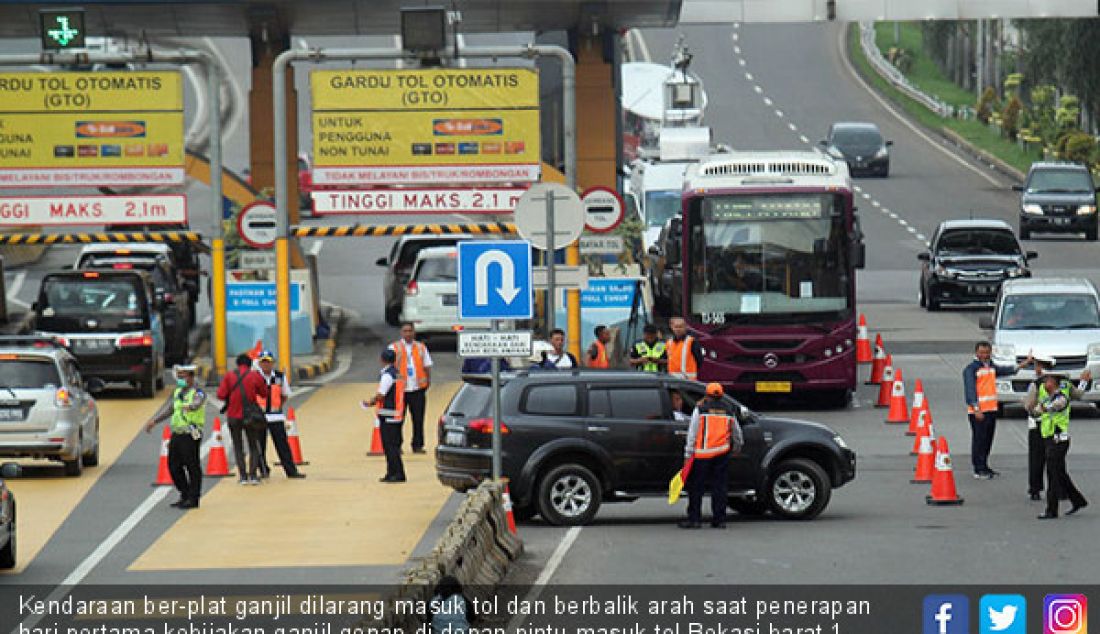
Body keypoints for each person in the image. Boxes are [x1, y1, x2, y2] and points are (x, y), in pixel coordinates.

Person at [961, 341, 1031, 480]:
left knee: (987, 440)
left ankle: (985, 466)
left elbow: (1005, 370)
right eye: (981, 352)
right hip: (979, 411)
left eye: (987, 352)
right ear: (976, 353)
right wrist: (976, 408)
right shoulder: (971, 369)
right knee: (979, 440)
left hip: (991, 409)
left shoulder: (991, 366)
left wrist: (1022, 364)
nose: (984, 355)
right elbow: (970, 390)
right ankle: (978, 468)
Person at [679, 382, 742, 529]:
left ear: (706, 395)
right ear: (721, 395)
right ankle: (719, 520)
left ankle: (694, 519)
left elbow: (692, 433)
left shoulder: (700, 410)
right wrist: (737, 447)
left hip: (702, 454)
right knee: (719, 487)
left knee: (696, 488)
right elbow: (737, 433)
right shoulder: (729, 410)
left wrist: (688, 454)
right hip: (721, 453)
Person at [144, 365, 205, 509]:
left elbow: (197, 404)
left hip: (191, 433)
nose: (181, 379)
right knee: (173, 465)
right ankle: (184, 493)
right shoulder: (178, 392)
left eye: (183, 376)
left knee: (192, 465)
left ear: (190, 377)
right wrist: (155, 421)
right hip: (177, 433)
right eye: (179, 376)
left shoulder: (198, 392)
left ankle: (193, 497)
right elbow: (171, 409)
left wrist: (189, 406)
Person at [1031, 370, 1090, 519]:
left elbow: (1048, 408)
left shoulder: (1060, 398)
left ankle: (1052, 509)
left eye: (1048, 381)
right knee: (1060, 473)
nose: (1045, 383)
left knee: (1052, 474)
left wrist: (1039, 409)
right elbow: (1035, 412)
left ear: (1054, 383)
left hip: (1058, 440)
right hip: (1049, 438)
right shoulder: (1048, 396)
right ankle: (1078, 500)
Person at [217, 352, 269, 485]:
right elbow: (264, 394)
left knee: (238, 446)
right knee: (253, 445)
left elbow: (221, 395)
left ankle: (243, 476)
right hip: (251, 416)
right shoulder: (254, 376)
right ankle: (253, 475)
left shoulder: (229, 376)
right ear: (250, 364)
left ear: (238, 364)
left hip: (234, 416)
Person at [255, 350, 305, 480]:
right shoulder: (254, 377)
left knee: (282, 445)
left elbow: (285, 395)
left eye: (268, 362)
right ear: (259, 364)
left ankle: (291, 471)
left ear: (273, 363)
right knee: (259, 445)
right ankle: (262, 470)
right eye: (263, 362)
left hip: (275, 416)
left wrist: (276, 406)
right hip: (259, 416)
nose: (266, 365)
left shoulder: (279, 377)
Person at [392, 323, 432, 454]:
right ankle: (397, 445)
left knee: (418, 419)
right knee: (398, 419)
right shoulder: (394, 348)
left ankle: (418, 445)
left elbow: (427, 366)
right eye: (405, 331)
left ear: (414, 332)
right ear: (401, 333)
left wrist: (427, 381)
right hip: (400, 390)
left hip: (417, 389)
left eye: (410, 331)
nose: (408, 333)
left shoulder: (421, 347)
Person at [367, 348, 406, 483]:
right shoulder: (397, 374)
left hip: (388, 414)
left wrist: (370, 402)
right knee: (393, 446)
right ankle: (393, 472)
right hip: (397, 413)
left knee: (390, 447)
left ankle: (396, 473)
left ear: (382, 360)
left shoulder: (387, 376)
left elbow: (381, 394)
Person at [1023, 356, 1058, 500]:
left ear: (1039, 367)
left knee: (1036, 458)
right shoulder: (1060, 383)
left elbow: (1029, 406)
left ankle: (1035, 489)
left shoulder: (1036, 384)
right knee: (1055, 459)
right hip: (1055, 425)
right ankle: (1058, 488)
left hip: (1037, 425)